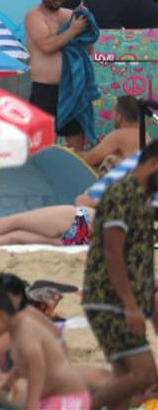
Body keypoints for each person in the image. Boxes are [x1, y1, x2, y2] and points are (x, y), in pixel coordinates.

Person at [81, 139, 158, 409]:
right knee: (145, 373)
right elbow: (113, 252)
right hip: (111, 300)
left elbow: (132, 257)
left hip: (117, 299)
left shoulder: (139, 197)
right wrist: (130, 305)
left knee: (124, 383)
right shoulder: (124, 193)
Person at [0, 280, 91, 410]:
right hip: (57, 383)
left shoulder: (22, 325)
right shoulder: (24, 320)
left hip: (50, 388)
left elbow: (33, 370)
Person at [25, 0, 91, 151]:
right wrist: (73, 30)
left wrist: (86, 26)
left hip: (70, 88)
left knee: (77, 139)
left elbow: (88, 50)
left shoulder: (69, 17)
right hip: (44, 89)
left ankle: (76, 175)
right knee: (40, 141)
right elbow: (47, 46)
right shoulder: (35, 16)